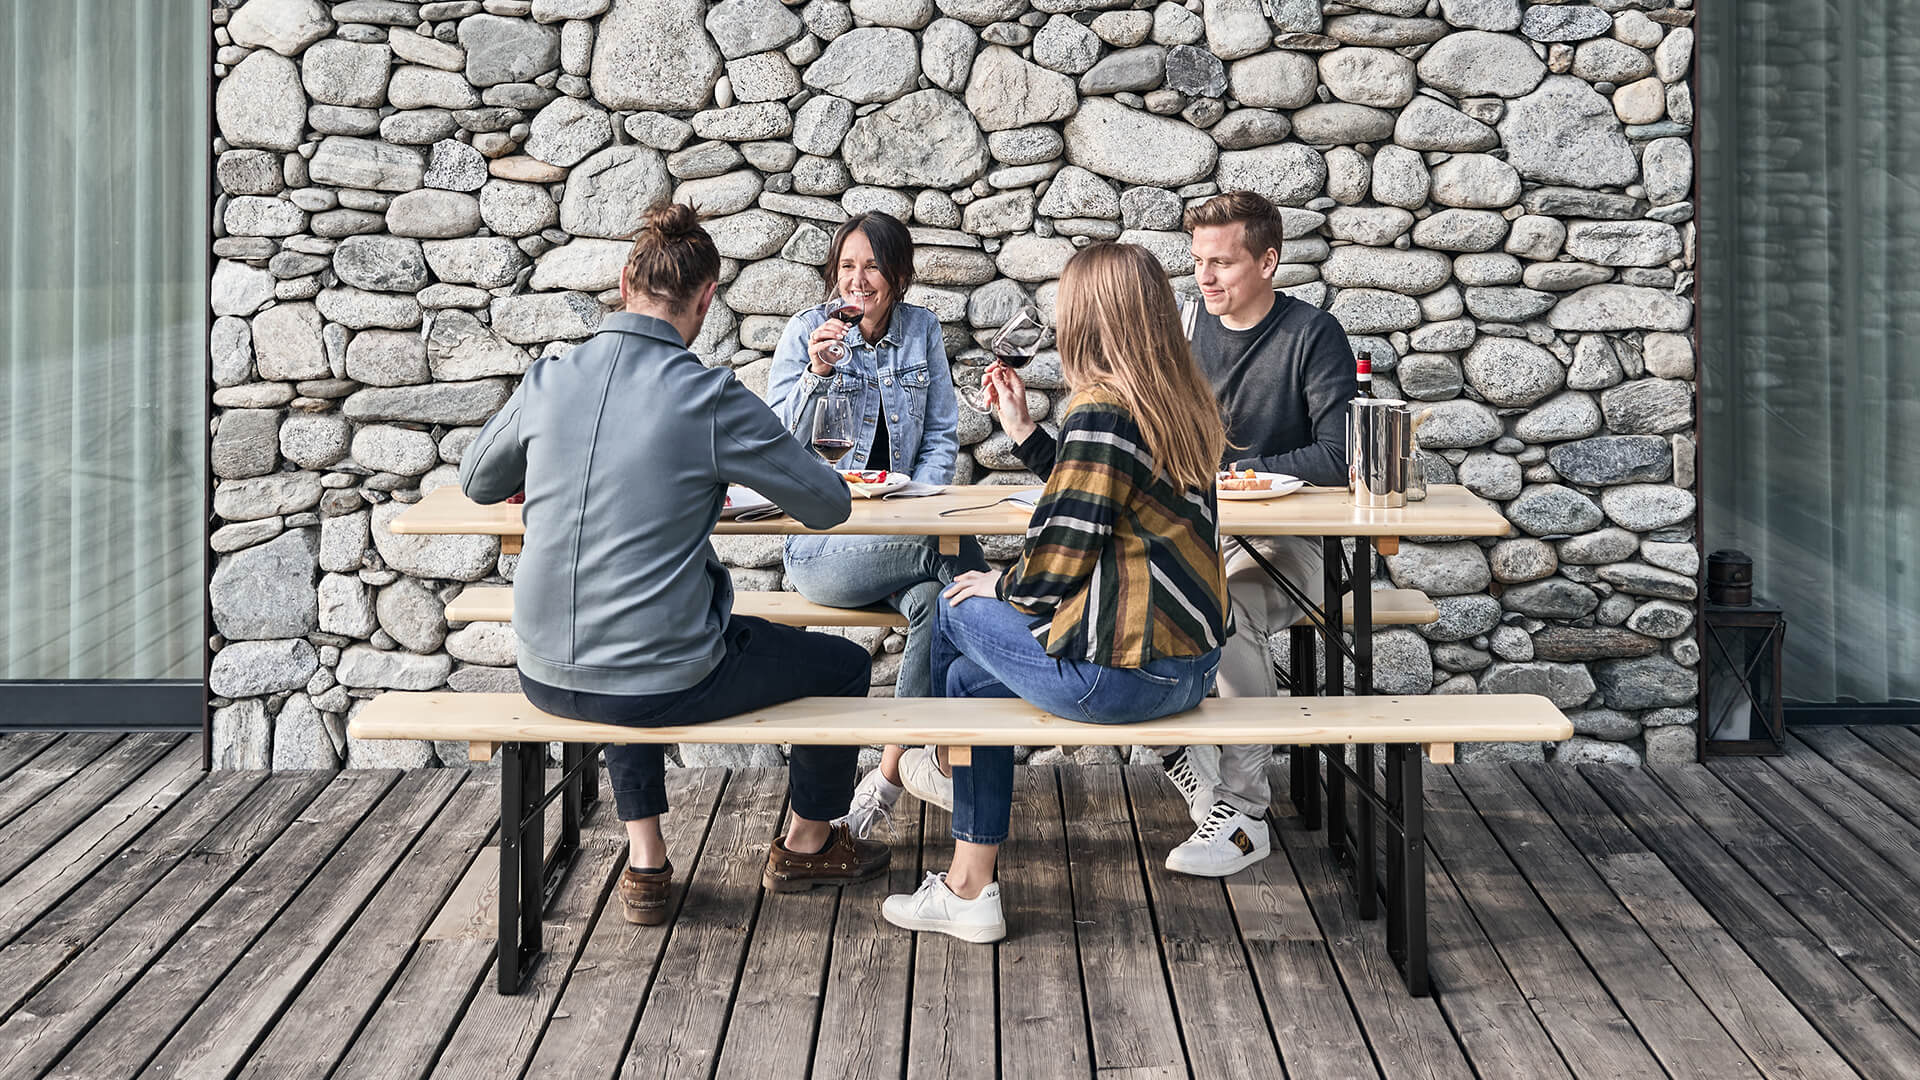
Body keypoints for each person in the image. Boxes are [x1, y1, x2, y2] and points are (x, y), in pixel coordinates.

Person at [460, 203, 889, 927]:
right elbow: (826, 505)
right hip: (654, 677)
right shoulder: (707, 394)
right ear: (707, 299)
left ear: (626, 280)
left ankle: (648, 861)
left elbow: (477, 481)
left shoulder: (550, 377)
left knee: (631, 611)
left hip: (540, 671)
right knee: (841, 667)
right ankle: (809, 846)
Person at [983, 191, 1356, 878]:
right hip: (1197, 542)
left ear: (1269, 261)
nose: (1206, 278)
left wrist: (1222, 467)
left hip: (1288, 543)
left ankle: (1243, 812)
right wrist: (1030, 437)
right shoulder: (1184, 334)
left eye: (1223, 263)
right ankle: (1182, 749)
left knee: (1226, 606)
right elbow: (1117, 475)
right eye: (1197, 263)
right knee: (1130, 599)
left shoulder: (1312, 336)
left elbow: (1338, 458)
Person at [880, 242, 1230, 943]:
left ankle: (918, 770)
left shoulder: (1103, 409)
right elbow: (1105, 496)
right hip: (1189, 668)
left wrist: (999, 585)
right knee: (968, 687)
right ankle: (968, 887)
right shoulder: (1174, 399)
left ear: (1092, 319)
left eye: (1066, 308)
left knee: (947, 605)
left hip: (1126, 675)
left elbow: (1058, 562)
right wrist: (1028, 435)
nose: (1058, 322)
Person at [766, 211, 983, 839]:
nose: (857, 281)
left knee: (939, 600)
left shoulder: (922, 331)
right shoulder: (810, 331)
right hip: (823, 545)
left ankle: (888, 776)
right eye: (845, 267)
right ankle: (948, 744)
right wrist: (817, 375)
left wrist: (920, 502)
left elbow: (941, 435)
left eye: (872, 267)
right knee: (961, 564)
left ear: (900, 275)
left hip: (906, 538)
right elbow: (778, 442)